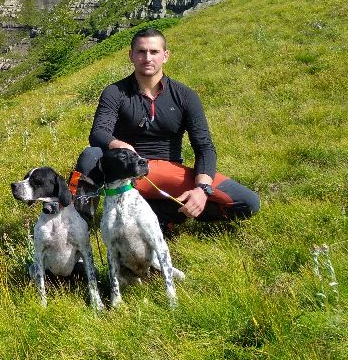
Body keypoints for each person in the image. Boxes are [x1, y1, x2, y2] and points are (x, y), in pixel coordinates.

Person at [74, 27, 260, 228]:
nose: (147, 58)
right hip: (125, 170)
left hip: (167, 172)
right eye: (141, 51)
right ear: (131, 56)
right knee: (91, 155)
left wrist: (202, 189)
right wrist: (119, 145)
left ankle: (164, 214)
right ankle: (77, 225)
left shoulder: (185, 96)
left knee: (248, 202)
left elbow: (204, 147)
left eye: (154, 52)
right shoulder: (115, 92)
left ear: (166, 55)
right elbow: (98, 133)